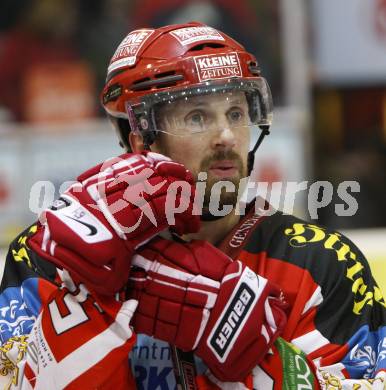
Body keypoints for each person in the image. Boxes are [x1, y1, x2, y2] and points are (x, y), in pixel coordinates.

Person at [1, 21, 386, 389]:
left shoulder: (320, 261)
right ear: (140, 138)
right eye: (197, 116)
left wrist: (263, 361)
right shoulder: (54, 256)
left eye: (235, 113)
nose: (226, 136)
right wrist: (89, 297)